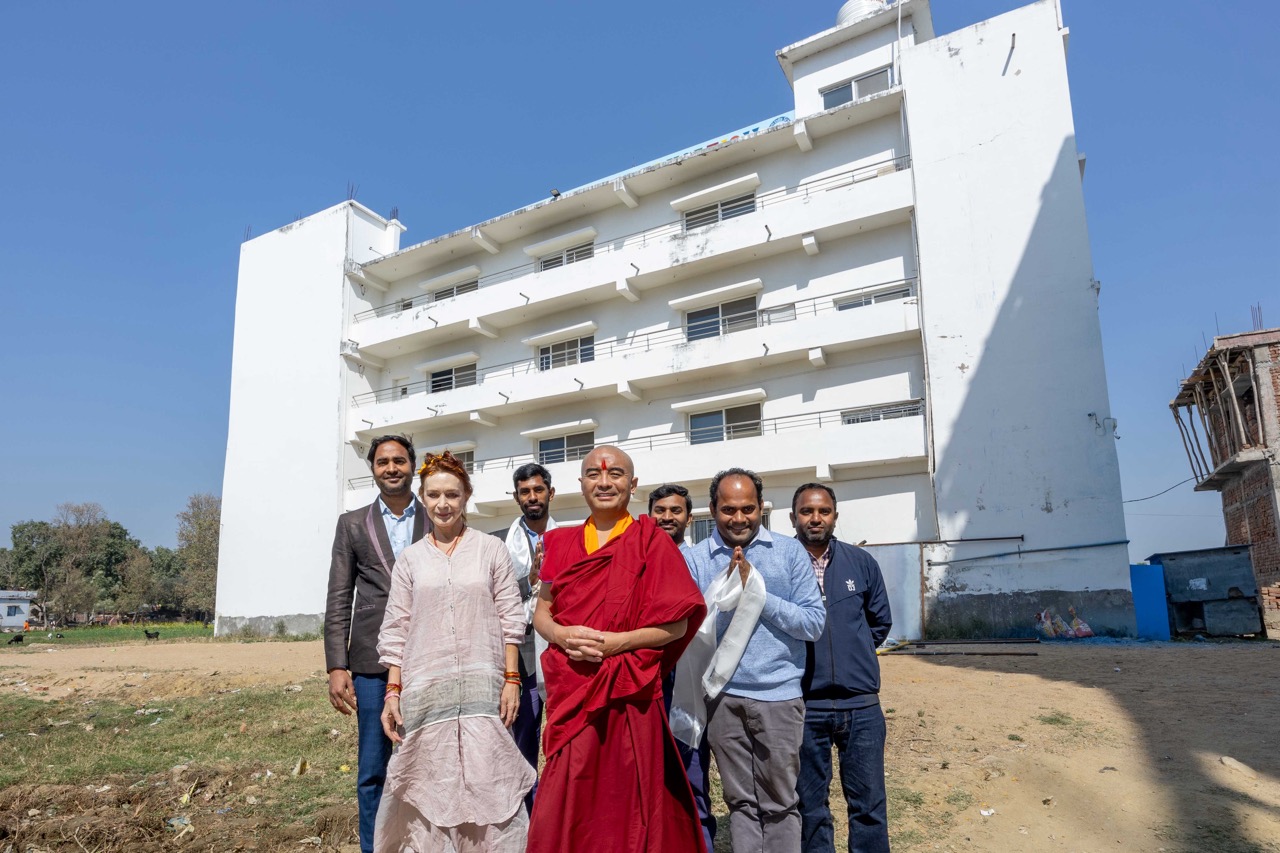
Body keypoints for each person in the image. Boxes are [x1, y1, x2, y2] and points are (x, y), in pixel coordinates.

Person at [527, 447, 708, 853]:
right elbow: (542, 613)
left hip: (630, 690)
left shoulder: (652, 542)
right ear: (580, 484)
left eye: (615, 475)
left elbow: (676, 624)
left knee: (628, 789)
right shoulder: (558, 541)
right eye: (593, 474)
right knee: (568, 782)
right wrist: (561, 636)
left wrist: (616, 644)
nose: (604, 482)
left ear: (633, 483)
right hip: (573, 688)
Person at [376, 451, 534, 852]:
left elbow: (510, 619)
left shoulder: (490, 550)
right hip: (425, 691)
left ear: (466, 496)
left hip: (485, 690)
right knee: (430, 776)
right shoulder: (410, 560)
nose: (442, 504)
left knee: (488, 777)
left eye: (451, 494)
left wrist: (512, 679)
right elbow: (397, 628)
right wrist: (392, 693)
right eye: (433, 495)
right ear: (422, 499)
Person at [683, 468, 826, 853]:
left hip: (778, 697)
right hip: (721, 698)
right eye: (729, 509)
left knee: (780, 801)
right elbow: (686, 627)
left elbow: (813, 624)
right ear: (712, 509)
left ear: (761, 507)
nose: (739, 518)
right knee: (741, 802)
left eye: (748, 508)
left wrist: (756, 592)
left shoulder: (788, 551)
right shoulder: (694, 560)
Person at [324, 435, 427, 853]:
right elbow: (338, 596)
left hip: (427, 655)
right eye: (382, 461)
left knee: (425, 760)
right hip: (370, 661)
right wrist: (336, 664)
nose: (391, 468)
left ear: (412, 465)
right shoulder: (352, 523)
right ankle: (375, 846)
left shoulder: (437, 516)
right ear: (372, 468)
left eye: (399, 460)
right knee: (372, 766)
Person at [792, 484, 893, 853]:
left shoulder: (861, 562)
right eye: (806, 511)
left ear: (835, 516)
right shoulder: (781, 563)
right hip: (803, 706)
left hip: (861, 705)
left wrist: (856, 656)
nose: (815, 518)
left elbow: (879, 622)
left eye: (823, 511)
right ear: (793, 517)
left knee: (869, 804)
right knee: (809, 805)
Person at [649, 483, 716, 852]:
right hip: (652, 677)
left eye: (676, 511)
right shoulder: (641, 559)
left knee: (692, 765)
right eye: (660, 510)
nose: (667, 517)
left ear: (689, 518)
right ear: (650, 516)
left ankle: (699, 839)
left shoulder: (703, 563)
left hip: (694, 678)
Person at [503, 462, 558, 811]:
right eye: (525, 492)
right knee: (524, 731)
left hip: (556, 642)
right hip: (521, 644)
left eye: (538, 490)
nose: (532, 497)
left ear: (550, 493)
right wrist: (530, 578)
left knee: (560, 731)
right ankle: (527, 810)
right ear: (516, 497)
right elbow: (499, 594)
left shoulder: (568, 537)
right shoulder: (500, 544)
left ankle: (557, 808)